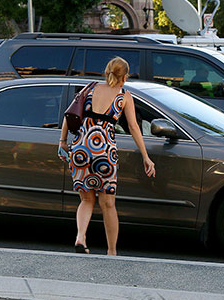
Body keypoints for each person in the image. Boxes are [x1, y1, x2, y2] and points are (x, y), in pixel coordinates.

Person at [58, 57, 155, 256]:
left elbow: (70, 114)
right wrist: (146, 156)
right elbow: (134, 128)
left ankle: (80, 237)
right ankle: (111, 251)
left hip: (81, 150)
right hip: (104, 152)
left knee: (86, 200)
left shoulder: (89, 88)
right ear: (125, 77)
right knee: (108, 203)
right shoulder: (124, 96)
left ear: (106, 71)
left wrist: (62, 142)